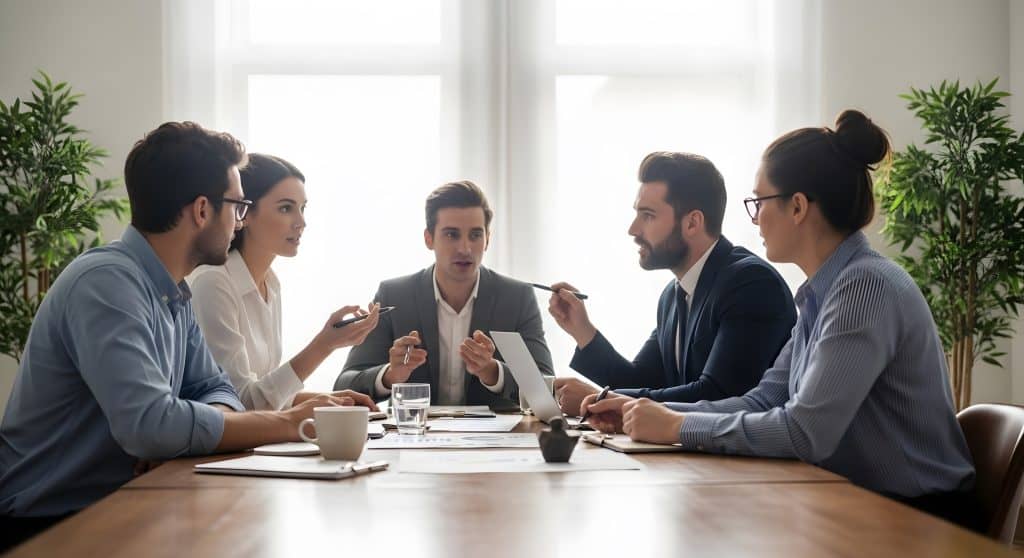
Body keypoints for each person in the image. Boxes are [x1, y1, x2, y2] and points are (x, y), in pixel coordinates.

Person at [581, 111, 976, 520]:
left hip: (920, 519)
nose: (755, 220)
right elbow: (764, 399)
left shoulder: (865, 286)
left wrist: (677, 427)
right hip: (860, 503)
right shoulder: (822, 292)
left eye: (759, 202)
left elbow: (805, 433)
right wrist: (638, 411)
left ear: (798, 207)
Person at [0, 122, 375, 550]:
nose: (239, 221)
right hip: (49, 524)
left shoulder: (173, 289)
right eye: (237, 206)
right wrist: (287, 424)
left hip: (126, 503)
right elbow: (148, 425)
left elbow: (216, 389)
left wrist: (176, 436)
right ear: (201, 210)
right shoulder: (106, 285)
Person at [549, 152, 796, 416]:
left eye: (648, 215)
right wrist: (582, 330)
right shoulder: (673, 294)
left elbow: (718, 395)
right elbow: (641, 383)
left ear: (692, 223)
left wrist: (599, 399)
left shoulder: (751, 284)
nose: (633, 229)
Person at [334, 180, 554, 407]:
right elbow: (343, 387)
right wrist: (390, 375)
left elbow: (549, 386)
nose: (465, 248)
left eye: (475, 235)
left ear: (487, 239)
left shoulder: (517, 298)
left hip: (494, 441)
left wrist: (492, 371)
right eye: (452, 235)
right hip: (414, 437)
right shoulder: (394, 296)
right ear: (429, 238)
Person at [189, 153, 381, 410]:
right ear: (244, 212)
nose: (301, 222)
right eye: (285, 208)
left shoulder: (271, 283)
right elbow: (240, 403)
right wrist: (324, 345)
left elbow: (264, 393)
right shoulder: (212, 283)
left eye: (302, 208)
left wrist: (325, 400)